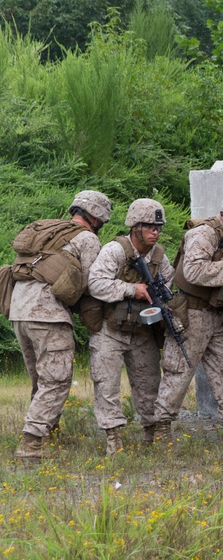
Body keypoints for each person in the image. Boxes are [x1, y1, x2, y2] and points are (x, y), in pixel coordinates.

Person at [150, 186, 223, 447]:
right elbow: (191, 271)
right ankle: (161, 429)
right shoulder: (203, 234)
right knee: (178, 372)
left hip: (219, 313)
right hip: (192, 312)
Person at [10, 191, 112, 460]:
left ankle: (49, 430)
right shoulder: (87, 238)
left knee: (42, 378)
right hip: (48, 314)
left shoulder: (49, 231)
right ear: (96, 217)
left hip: (18, 310)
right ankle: (31, 442)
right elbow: (94, 282)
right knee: (56, 380)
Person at [87, 199, 174, 456]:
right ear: (135, 227)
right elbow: (96, 283)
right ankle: (113, 437)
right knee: (106, 384)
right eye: (149, 226)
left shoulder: (159, 256)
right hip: (110, 329)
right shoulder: (115, 250)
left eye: (158, 226)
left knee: (149, 384)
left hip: (142, 330)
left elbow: (168, 283)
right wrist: (131, 289)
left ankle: (152, 432)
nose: (155, 232)